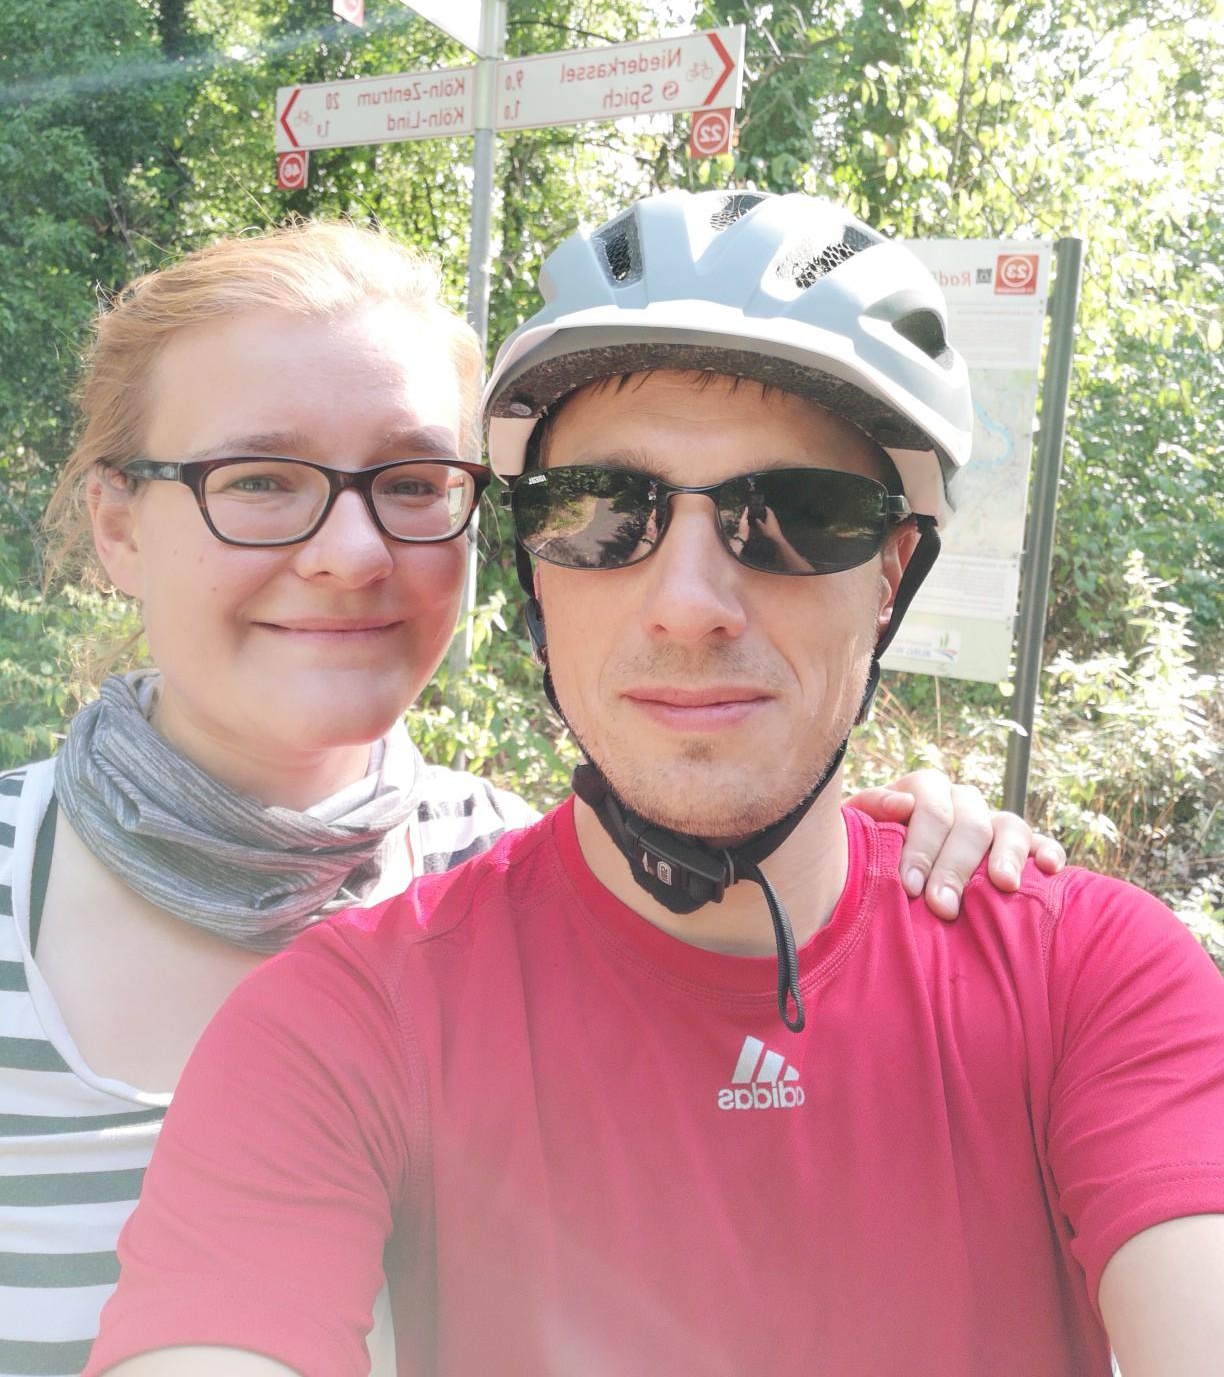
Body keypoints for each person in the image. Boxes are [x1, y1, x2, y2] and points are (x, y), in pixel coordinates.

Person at [0, 217, 1051, 1377]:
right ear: (117, 524)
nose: (352, 553)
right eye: (257, 480)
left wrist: (905, 872)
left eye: (413, 483)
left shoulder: (525, 884)